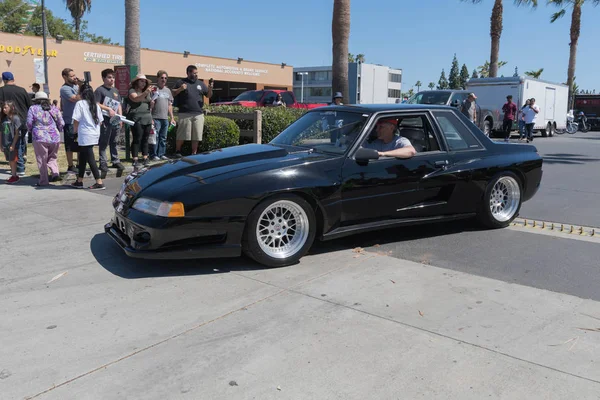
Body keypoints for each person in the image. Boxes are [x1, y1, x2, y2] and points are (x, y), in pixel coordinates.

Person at [172, 65, 213, 156]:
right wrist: (180, 89)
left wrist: (210, 89)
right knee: (182, 134)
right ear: (188, 73)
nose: (196, 75)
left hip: (198, 114)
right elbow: (173, 93)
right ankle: (178, 151)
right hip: (184, 113)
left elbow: (208, 95)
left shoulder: (201, 84)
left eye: (196, 73)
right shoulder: (181, 82)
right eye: (194, 73)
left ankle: (194, 153)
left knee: (196, 135)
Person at [26, 92, 64, 186]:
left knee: (42, 159)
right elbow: (61, 123)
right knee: (52, 157)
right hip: (54, 137)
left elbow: (29, 122)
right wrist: (58, 129)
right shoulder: (54, 108)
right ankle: (55, 173)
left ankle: (43, 181)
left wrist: (31, 130)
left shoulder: (33, 108)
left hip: (40, 137)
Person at [71, 84, 105, 190]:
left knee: (90, 158)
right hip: (94, 132)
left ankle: (99, 181)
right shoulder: (96, 105)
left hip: (85, 133)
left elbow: (76, 120)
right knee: (83, 157)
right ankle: (79, 180)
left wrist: (74, 131)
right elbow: (100, 121)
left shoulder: (80, 104)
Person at [0, 72, 31, 176]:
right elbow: (29, 105)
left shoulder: (1, 91)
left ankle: (19, 166)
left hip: (7, 121)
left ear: (4, 80)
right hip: (23, 119)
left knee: (10, 143)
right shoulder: (22, 90)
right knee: (20, 142)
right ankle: (19, 166)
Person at [94, 68, 124, 178]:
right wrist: (108, 109)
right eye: (109, 77)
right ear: (103, 78)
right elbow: (96, 104)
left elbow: (119, 104)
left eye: (113, 77)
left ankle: (115, 160)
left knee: (114, 141)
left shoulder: (115, 90)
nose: (112, 79)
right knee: (104, 142)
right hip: (105, 119)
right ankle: (103, 162)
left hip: (115, 119)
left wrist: (120, 117)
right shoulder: (99, 90)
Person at [127, 74, 154, 168]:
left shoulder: (147, 92)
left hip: (147, 118)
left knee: (146, 138)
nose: (143, 83)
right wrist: (145, 93)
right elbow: (136, 99)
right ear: (137, 82)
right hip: (136, 118)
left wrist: (152, 103)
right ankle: (135, 158)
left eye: (145, 81)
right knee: (137, 138)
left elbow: (149, 106)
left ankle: (145, 157)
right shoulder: (132, 91)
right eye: (141, 81)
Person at [150, 70, 175, 161]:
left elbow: (169, 105)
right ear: (158, 78)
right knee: (155, 137)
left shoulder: (168, 90)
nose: (163, 80)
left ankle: (162, 154)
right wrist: (151, 117)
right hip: (155, 117)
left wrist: (172, 117)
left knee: (163, 137)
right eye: (162, 78)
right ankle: (153, 155)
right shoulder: (153, 89)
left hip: (165, 118)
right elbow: (150, 104)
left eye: (165, 78)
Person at [60, 68, 81, 173]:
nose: (74, 77)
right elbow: (75, 98)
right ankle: (70, 165)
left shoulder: (77, 86)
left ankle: (79, 163)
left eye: (74, 75)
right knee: (70, 144)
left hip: (80, 120)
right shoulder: (64, 89)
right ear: (65, 77)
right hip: (70, 121)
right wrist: (82, 89)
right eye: (71, 76)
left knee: (81, 143)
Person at [0, 101, 22, 183]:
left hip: (12, 143)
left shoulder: (15, 118)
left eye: (6, 107)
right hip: (5, 143)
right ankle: (14, 175)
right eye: (3, 108)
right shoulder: (3, 119)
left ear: (11, 108)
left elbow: (17, 133)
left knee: (13, 160)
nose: (4, 109)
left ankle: (14, 176)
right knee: (10, 160)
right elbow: (1, 132)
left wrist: (13, 144)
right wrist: (1, 145)